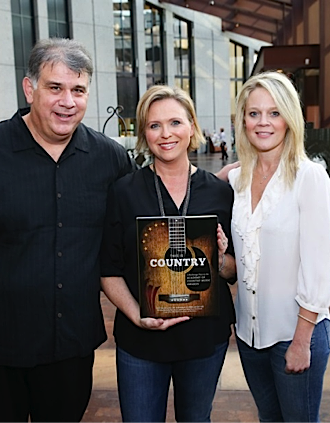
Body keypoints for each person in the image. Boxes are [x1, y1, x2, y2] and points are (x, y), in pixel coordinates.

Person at [0, 38, 133, 423]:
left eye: (78, 90)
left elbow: (138, 228)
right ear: (30, 88)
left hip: (71, 351)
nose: (68, 101)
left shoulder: (111, 159)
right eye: (55, 87)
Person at [100, 85, 236, 423]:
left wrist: (219, 258)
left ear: (192, 125)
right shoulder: (123, 192)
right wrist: (136, 315)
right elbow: (108, 269)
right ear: (144, 133)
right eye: (154, 125)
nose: (165, 134)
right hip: (141, 340)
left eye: (175, 122)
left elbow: (232, 272)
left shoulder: (220, 193)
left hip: (204, 339)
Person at [228, 71, 330, 422]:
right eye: (254, 113)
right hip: (249, 334)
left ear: (290, 118)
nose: (263, 123)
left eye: (274, 113)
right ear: (243, 118)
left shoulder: (309, 177)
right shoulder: (236, 178)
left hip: (294, 333)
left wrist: (302, 340)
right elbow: (190, 184)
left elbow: (318, 269)